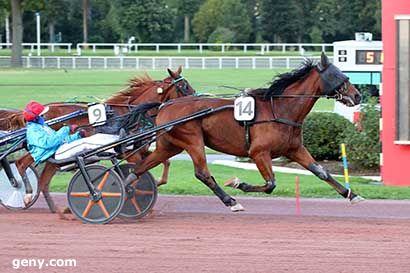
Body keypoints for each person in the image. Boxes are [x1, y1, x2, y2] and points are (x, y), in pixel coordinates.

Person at [24, 101, 121, 162]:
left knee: (93, 138)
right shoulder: (33, 131)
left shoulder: (42, 126)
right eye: (42, 115)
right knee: (85, 143)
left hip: (60, 148)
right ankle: (114, 148)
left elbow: (62, 140)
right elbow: (49, 143)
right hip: (54, 153)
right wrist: (66, 129)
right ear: (35, 118)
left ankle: (117, 139)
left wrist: (78, 135)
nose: (43, 117)